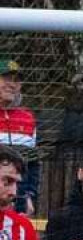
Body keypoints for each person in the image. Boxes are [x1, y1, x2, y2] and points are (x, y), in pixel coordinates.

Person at [0, 58, 40, 215]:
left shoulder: (28, 118)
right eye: (6, 78)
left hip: (18, 202)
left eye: (16, 80)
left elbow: (34, 163)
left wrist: (29, 196)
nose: (12, 84)